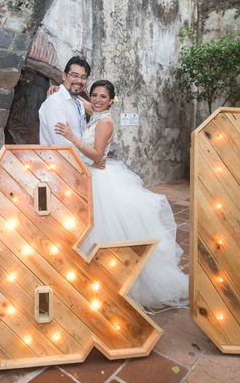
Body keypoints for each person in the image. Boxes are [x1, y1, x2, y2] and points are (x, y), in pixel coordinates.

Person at [54, 80, 188, 308]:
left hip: (99, 179)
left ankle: (109, 281)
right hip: (90, 176)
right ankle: (91, 277)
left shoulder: (105, 121)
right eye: (94, 95)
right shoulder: (95, 111)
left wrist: (71, 137)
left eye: (102, 97)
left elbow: (97, 156)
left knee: (103, 229)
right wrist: (57, 90)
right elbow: (79, 100)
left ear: (111, 100)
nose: (96, 100)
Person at [38, 56, 91, 146]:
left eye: (83, 77)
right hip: (59, 159)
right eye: (74, 75)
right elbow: (62, 144)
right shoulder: (55, 102)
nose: (79, 81)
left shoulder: (78, 103)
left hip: (76, 159)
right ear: (64, 76)